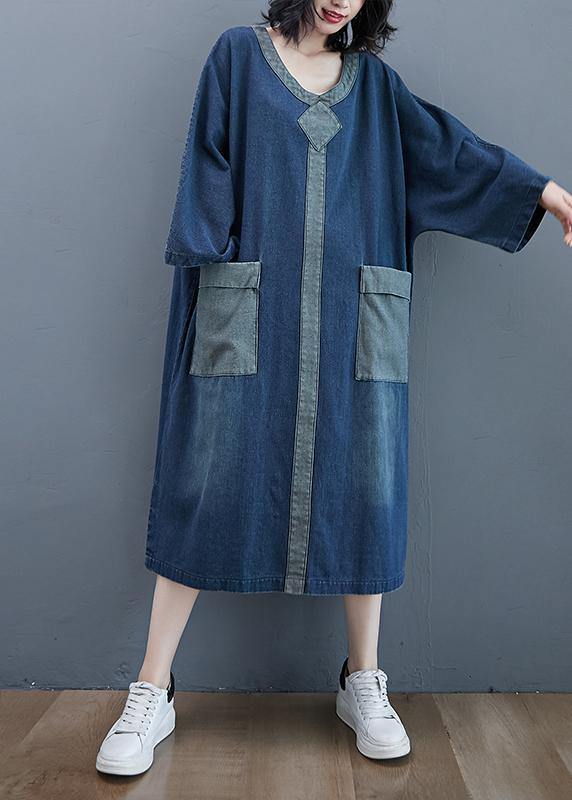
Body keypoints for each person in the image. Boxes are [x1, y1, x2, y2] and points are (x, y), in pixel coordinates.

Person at [96, 0, 572, 776]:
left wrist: (542, 190)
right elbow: (208, 167)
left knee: (367, 486)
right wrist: (214, 272)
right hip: (248, 309)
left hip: (355, 319)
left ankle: (362, 680)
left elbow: (449, 153)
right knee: (203, 480)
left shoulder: (375, 88)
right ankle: (153, 688)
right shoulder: (237, 57)